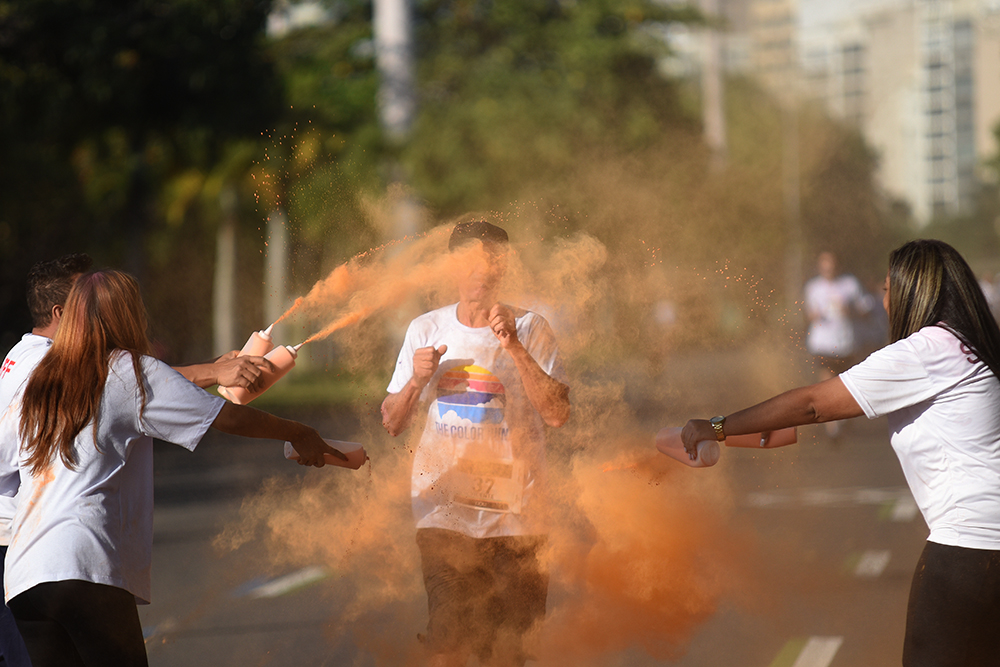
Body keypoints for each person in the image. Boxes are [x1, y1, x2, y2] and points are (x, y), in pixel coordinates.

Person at [0, 269, 344, 667]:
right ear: (124, 315)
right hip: (86, 565)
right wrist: (299, 432)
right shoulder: (126, 370)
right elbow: (226, 418)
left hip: (25, 575)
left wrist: (213, 371)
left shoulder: (41, 378)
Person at [682, 239, 1000, 666]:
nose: (884, 300)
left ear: (913, 293)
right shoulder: (974, 348)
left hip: (969, 555)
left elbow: (813, 404)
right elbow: (801, 420)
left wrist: (715, 426)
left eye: (888, 289)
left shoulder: (926, 352)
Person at [381, 220, 571, 667]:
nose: (480, 273)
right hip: (444, 512)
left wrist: (516, 347)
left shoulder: (531, 327)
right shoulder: (425, 329)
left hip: (518, 519)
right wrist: (417, 380)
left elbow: (557, 414)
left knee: (508, 652)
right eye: (469, 263)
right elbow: (392, 422)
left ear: (505, 269)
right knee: (448, 640)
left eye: (492, 262)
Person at [803, 251, 873, 437]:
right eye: (824, 265)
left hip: (846, 344)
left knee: (844, 386)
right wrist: (814, 315)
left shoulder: (850, 284)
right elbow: (808, 313)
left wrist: (850, 311)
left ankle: (844, 416)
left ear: (837, 265)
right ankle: (832, 426)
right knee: (826, 383)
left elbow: (866, 310)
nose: (828, 269)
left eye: (831, 265)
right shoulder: (813, 287)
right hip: (822, 344)